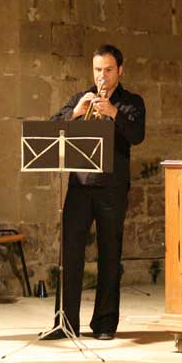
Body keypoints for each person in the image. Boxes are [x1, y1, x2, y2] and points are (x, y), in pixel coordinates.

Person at [42, 44, 146, 341]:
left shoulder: (132, 102)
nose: (103, 76)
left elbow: (137, 135)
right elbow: (52, 128)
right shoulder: (80, 98)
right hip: (80, 185)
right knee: (70, 254)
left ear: (120, 71)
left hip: (112, 186)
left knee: (109, 255)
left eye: (109, 70)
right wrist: (76, 112)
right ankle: (66, 322)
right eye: (98, 70)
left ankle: (104, 324)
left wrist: (113, 112)